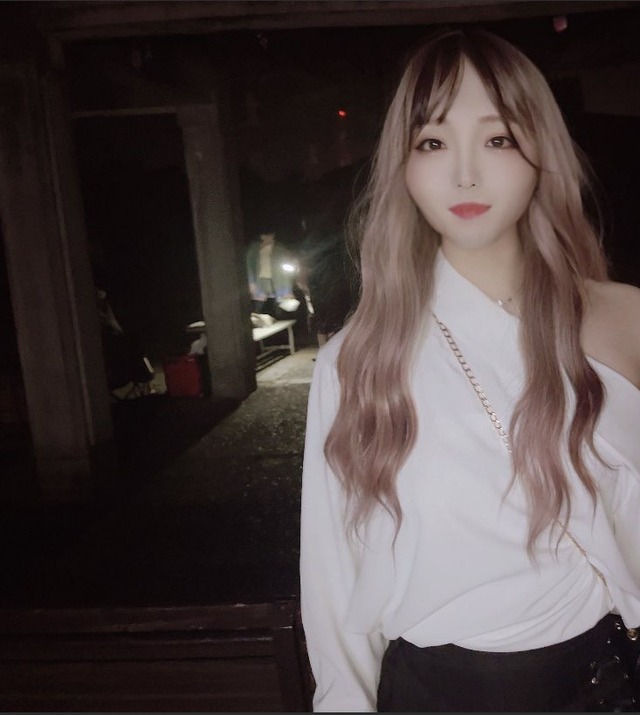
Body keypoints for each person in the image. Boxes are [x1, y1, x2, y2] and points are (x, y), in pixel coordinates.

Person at [300, 27, 640, 712]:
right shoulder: (360, 361)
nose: (464, 174)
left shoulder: (624, 317)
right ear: (402, 165)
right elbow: (333, 579)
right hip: (443, 693)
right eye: (432, 142)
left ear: (540, 153)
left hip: (608, 680)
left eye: (498, 139)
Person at [246, 229, 295, 317]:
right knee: (258, 307)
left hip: (278, 281)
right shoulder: (254, 249)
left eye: (268, 235)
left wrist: (288, 289)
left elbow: (287, 270)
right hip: (260, 281)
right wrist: (251, 282)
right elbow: (250, 265)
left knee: (280, 309)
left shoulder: (280, 249)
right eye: (264, 236)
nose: (266, 238)